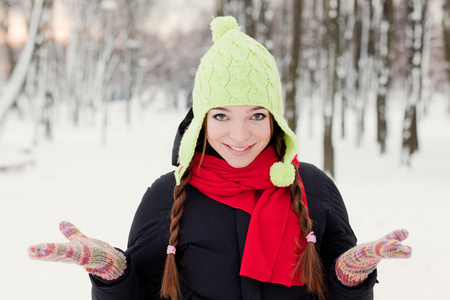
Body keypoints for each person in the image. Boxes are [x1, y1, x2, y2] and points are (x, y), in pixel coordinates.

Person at [28, 16, 411, 300]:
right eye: (222, 116)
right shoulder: (166, 196)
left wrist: (350, 279)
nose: (240, 135)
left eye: (257, 115)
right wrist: (111, 275)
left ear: (276, 119)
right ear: (201, 120)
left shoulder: (314, 189)